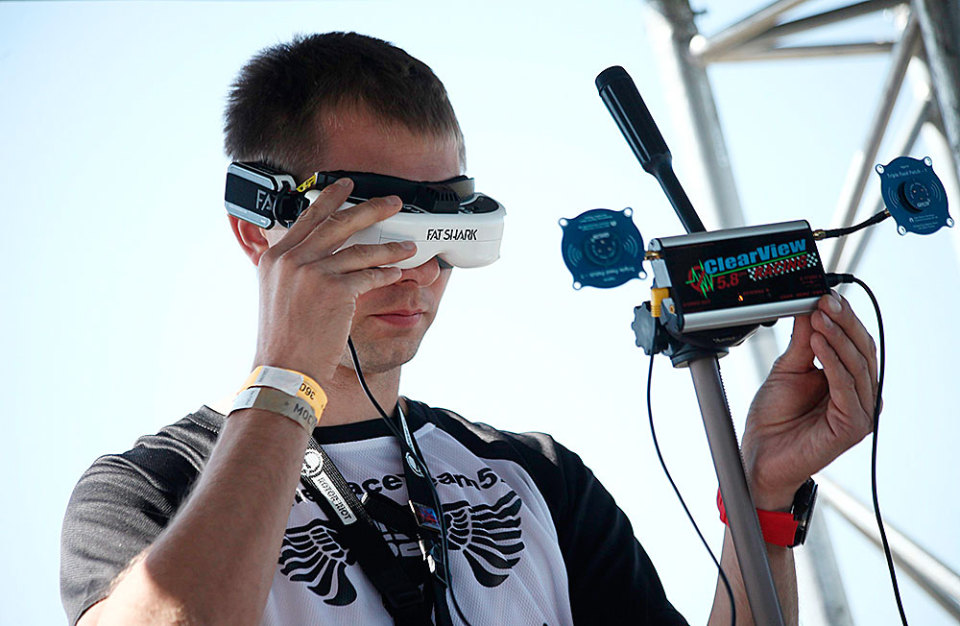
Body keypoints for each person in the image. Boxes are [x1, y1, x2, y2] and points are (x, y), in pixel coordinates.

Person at [60, 32, 879, 626]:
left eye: (451, 234)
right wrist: (287, 375)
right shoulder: (151, 488)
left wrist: (761, 500)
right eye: (380, 232)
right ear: (256, 231)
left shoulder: (536, 477)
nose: (418, 270)